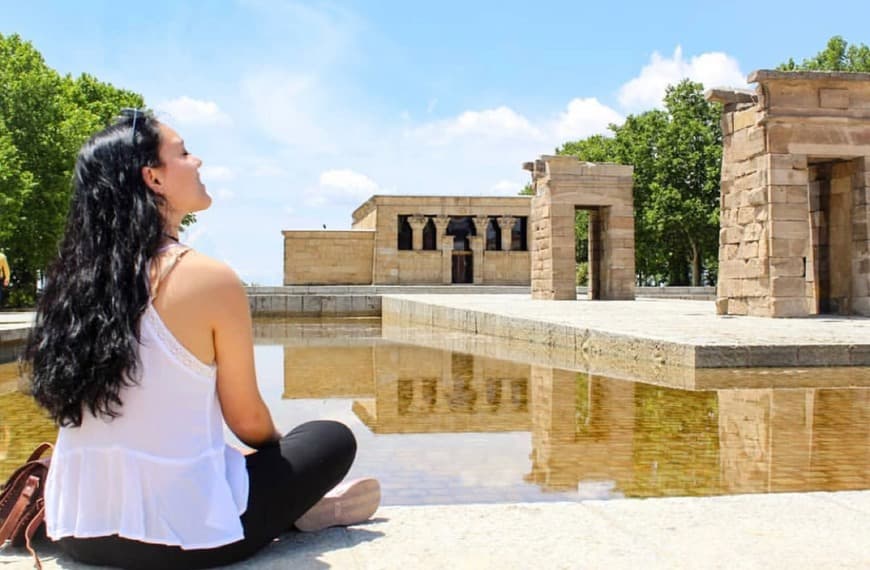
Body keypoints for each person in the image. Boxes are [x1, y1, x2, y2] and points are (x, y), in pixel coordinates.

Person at [23, 109, 380, 570]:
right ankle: (301, 508)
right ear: (153, 178)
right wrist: (269, 453)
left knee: (230, 458)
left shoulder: (73, 284)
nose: (199, 161)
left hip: (77, 530)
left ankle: (301, 508)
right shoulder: (207, 277)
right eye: (184, 152)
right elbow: (247, 419)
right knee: (330, 437)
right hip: (183, 540)